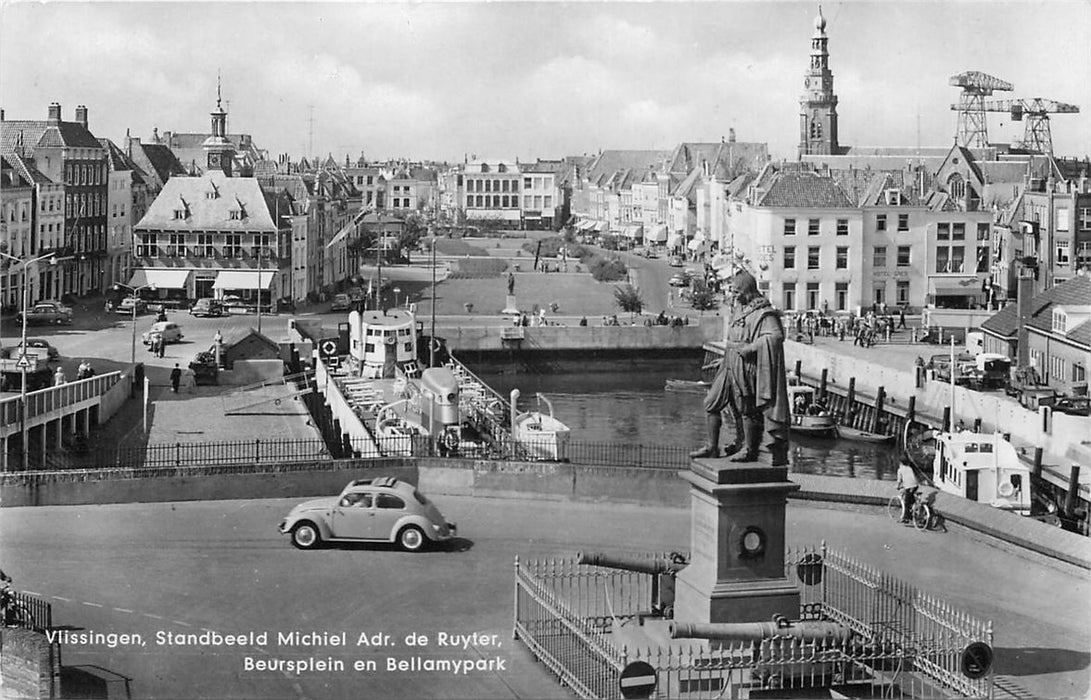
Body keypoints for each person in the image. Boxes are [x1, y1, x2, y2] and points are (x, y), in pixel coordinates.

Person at [896, 457, 920, 523]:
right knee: (910, 499)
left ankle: (906, 518)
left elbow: (899, 481)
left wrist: (898, 487)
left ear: (900, 463)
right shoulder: (910, 468)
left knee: (906, 502)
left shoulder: (900, 470)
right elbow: (912, 477)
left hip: (909, 486)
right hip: (915, 486)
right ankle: (913, 510)